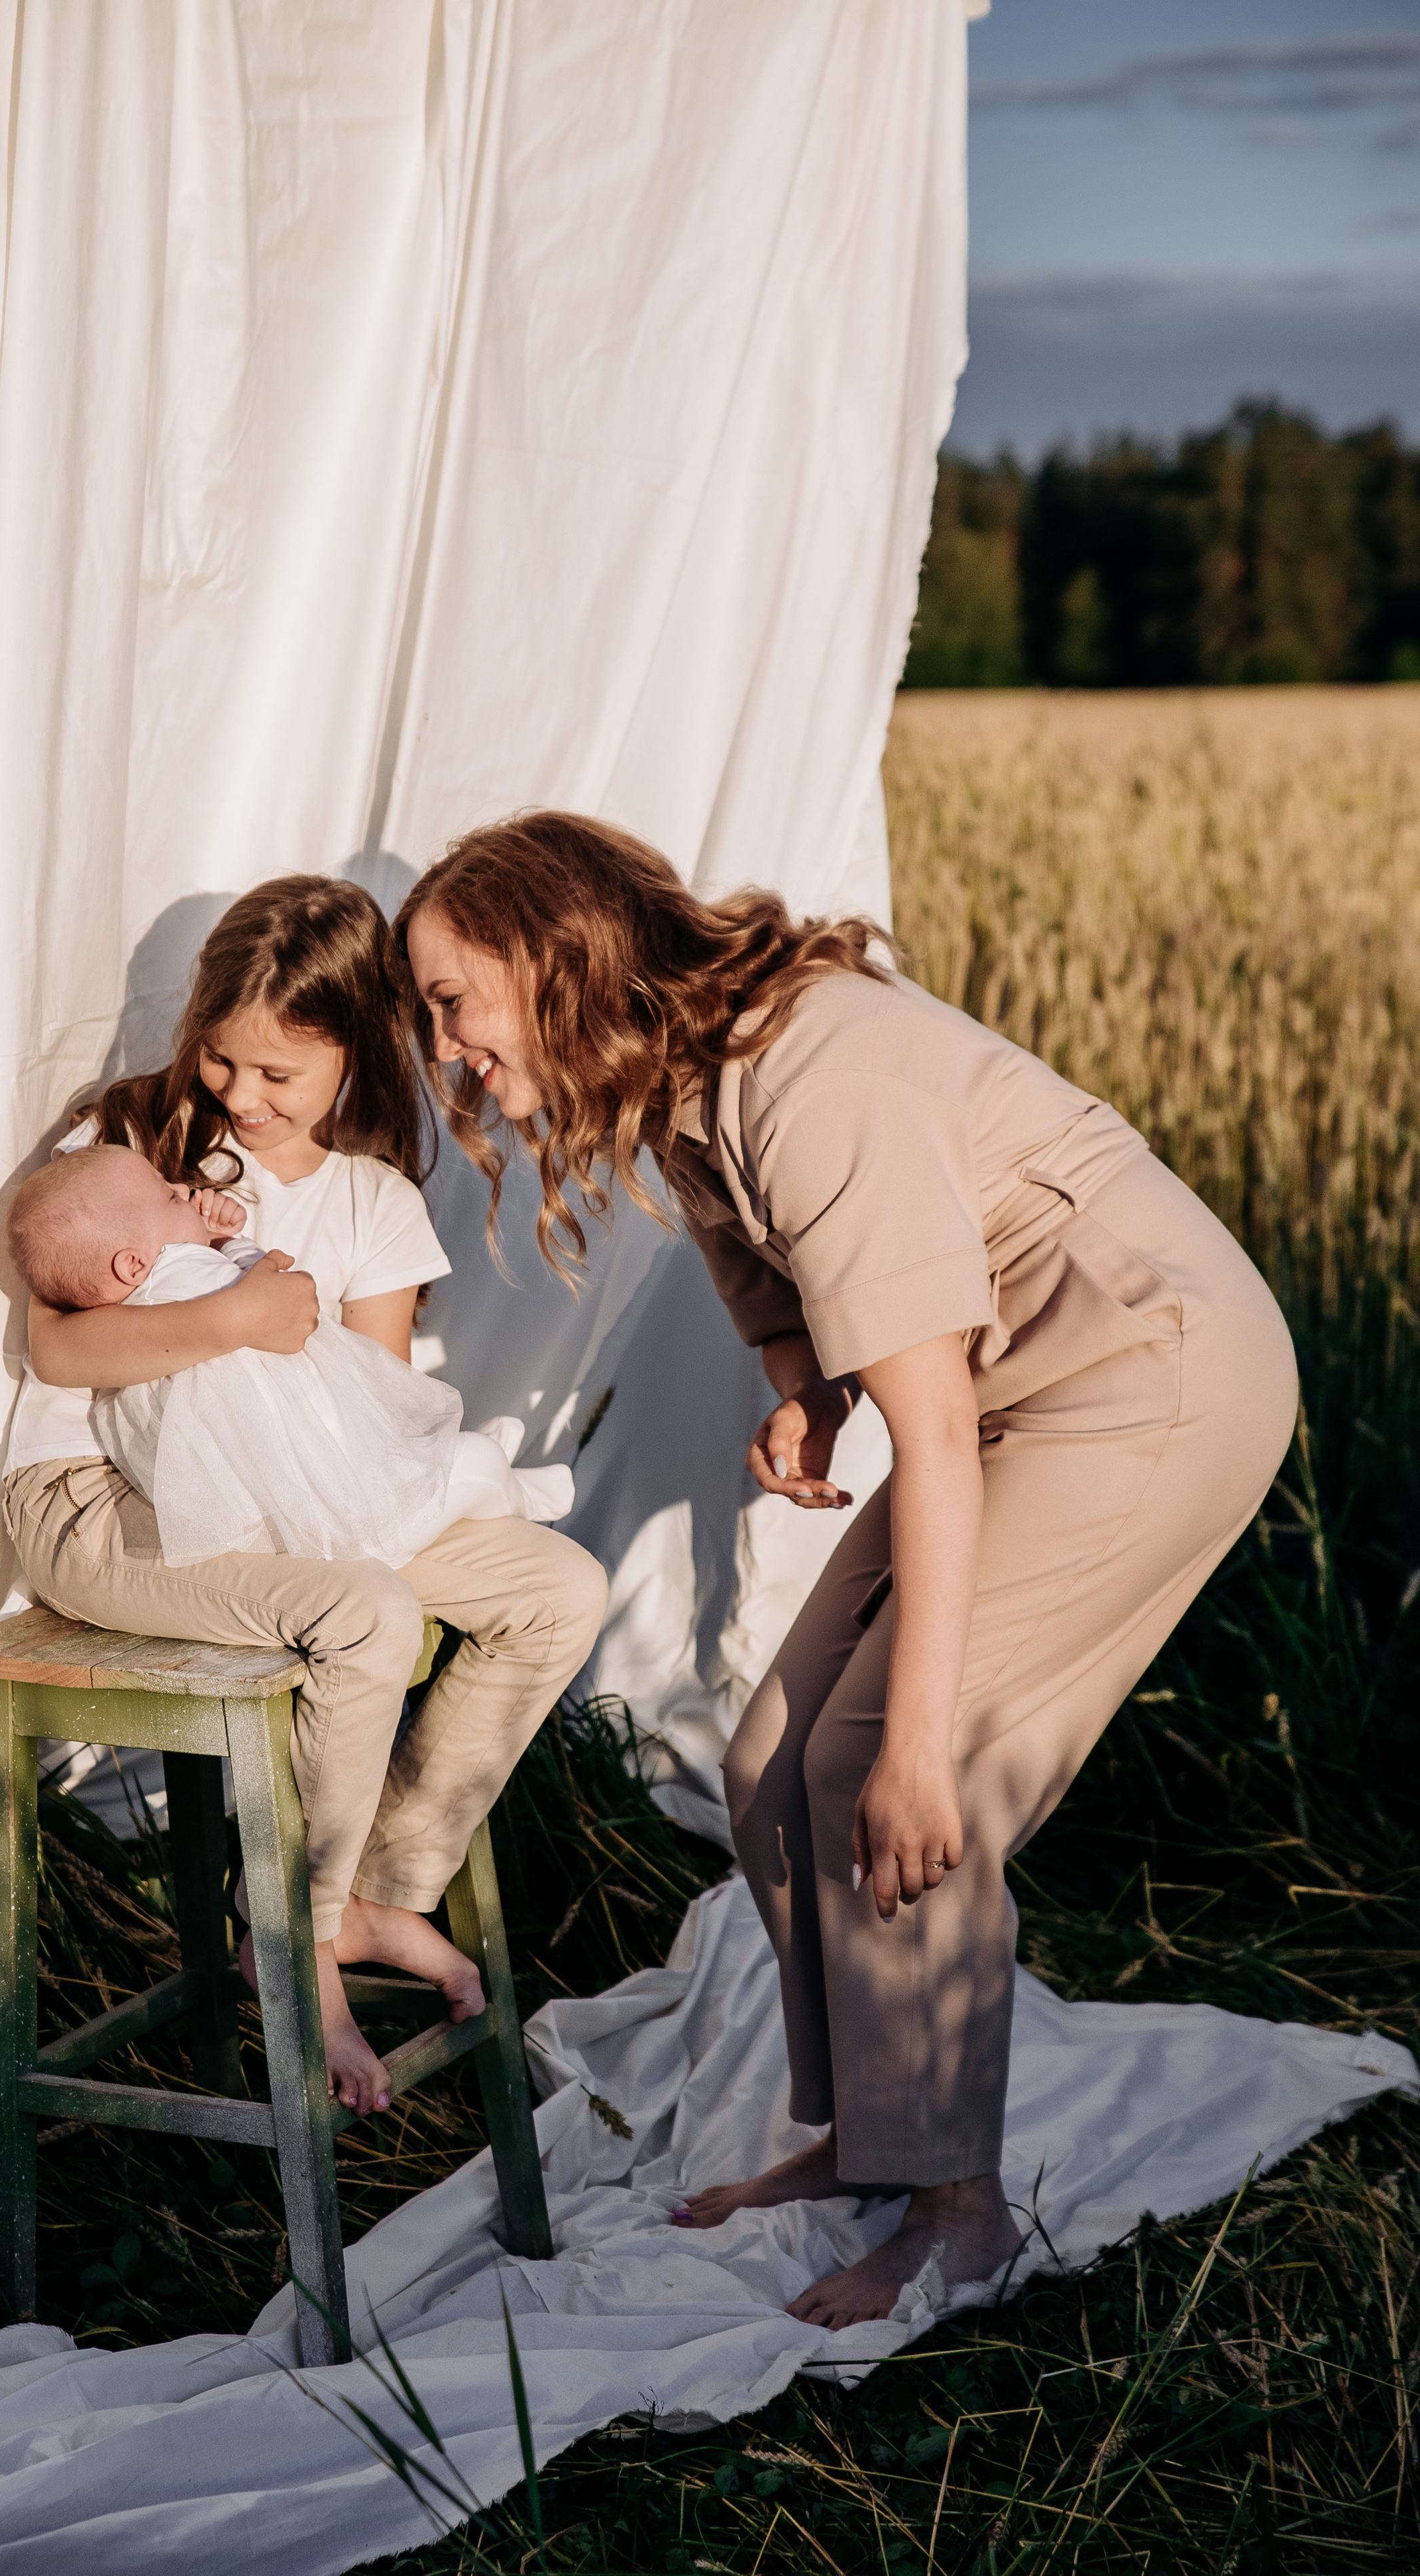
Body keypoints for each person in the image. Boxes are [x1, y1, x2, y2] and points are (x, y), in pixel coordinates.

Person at [396, 811, 1297, 2328]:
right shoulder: (682, 1089)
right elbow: (782, 1301)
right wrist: (805, 1387)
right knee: (768, 1762)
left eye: (449, 1000)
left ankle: (957, 2212)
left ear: (557, 960)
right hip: (1021, 1389)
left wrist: (925, 1744)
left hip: (1152, 1381)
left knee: (880, 1761)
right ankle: (874, 2137)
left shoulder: (813, 1081)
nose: (444, 1049)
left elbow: (931, 1430)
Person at [0, 875, 606, 2114]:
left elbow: (370, 1418)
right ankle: (298, 1941)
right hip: (102, 1500)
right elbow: (60, 1351)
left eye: (281, 1076)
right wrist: (231, 1317)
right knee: (370, 1614)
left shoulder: (374, 1204)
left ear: (355, 1054)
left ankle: (386, 1889)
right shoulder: (138, 1147)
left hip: (311, 1500)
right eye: (223, 1060)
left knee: (559, 1587)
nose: (242, 1096)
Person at [4, 1140, 571, 1568]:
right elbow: (266, 1284)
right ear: (132, 1264)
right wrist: (233, 1243)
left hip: (301, 1478)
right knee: (469, 1472)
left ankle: (476, 1467)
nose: (183, 1190)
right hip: (332, 1510)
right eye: (167, 1194)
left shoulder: (149, 1289)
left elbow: (236, 1287)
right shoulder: (177, 1275)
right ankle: (515, 1489)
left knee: (438, 1472)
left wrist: (218, 1241)